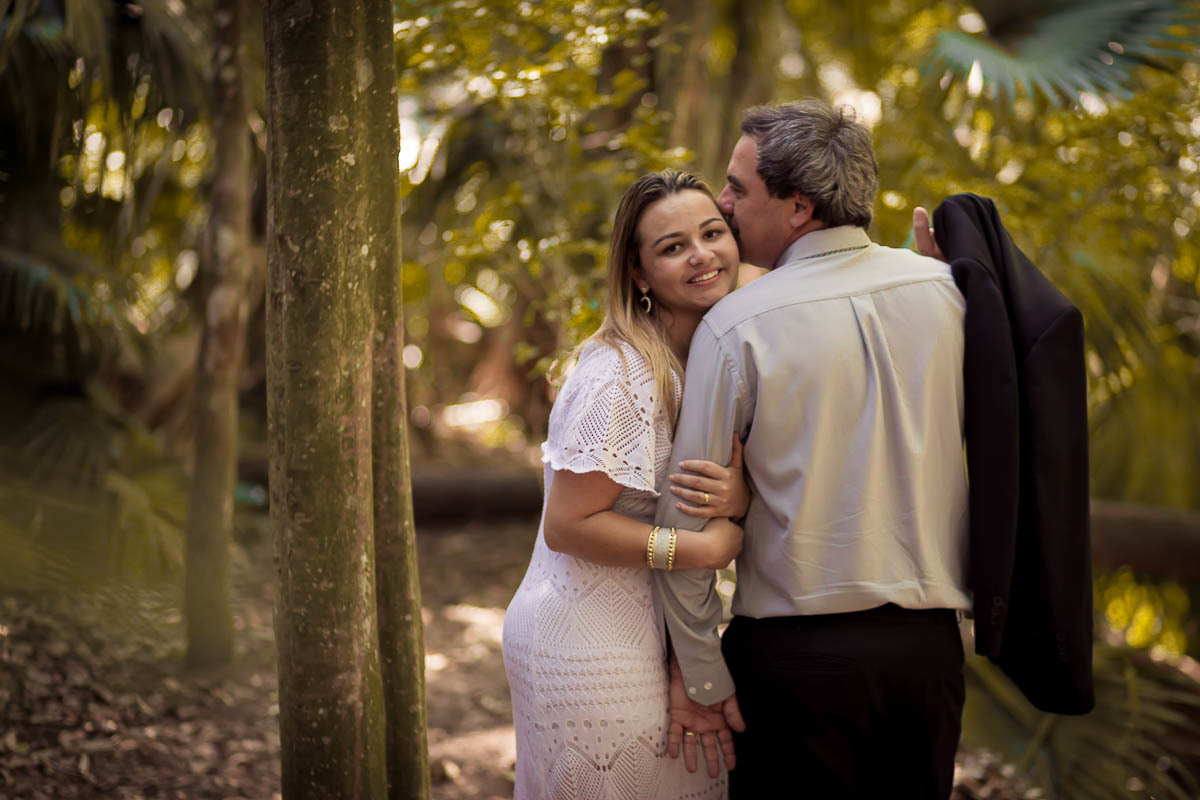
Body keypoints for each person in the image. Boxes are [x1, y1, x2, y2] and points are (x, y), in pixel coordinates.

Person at [655, 99, 970, 799]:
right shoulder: (951, 295)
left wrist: (701, 675)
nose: (726, 203)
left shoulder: (735, 325)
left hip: (793, 665)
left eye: (737, 188)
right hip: (929, 659)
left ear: (799, 207)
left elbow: (686, 514)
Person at [501, 170, 750, 800]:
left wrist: (737, 500)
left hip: (646, 628)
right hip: (588, 641)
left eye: (712, 233)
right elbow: (568, 524)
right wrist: (700, 550)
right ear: (638, 275)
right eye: (672, 247)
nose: (701, 255)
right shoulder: (620, 375)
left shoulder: (706, 360)